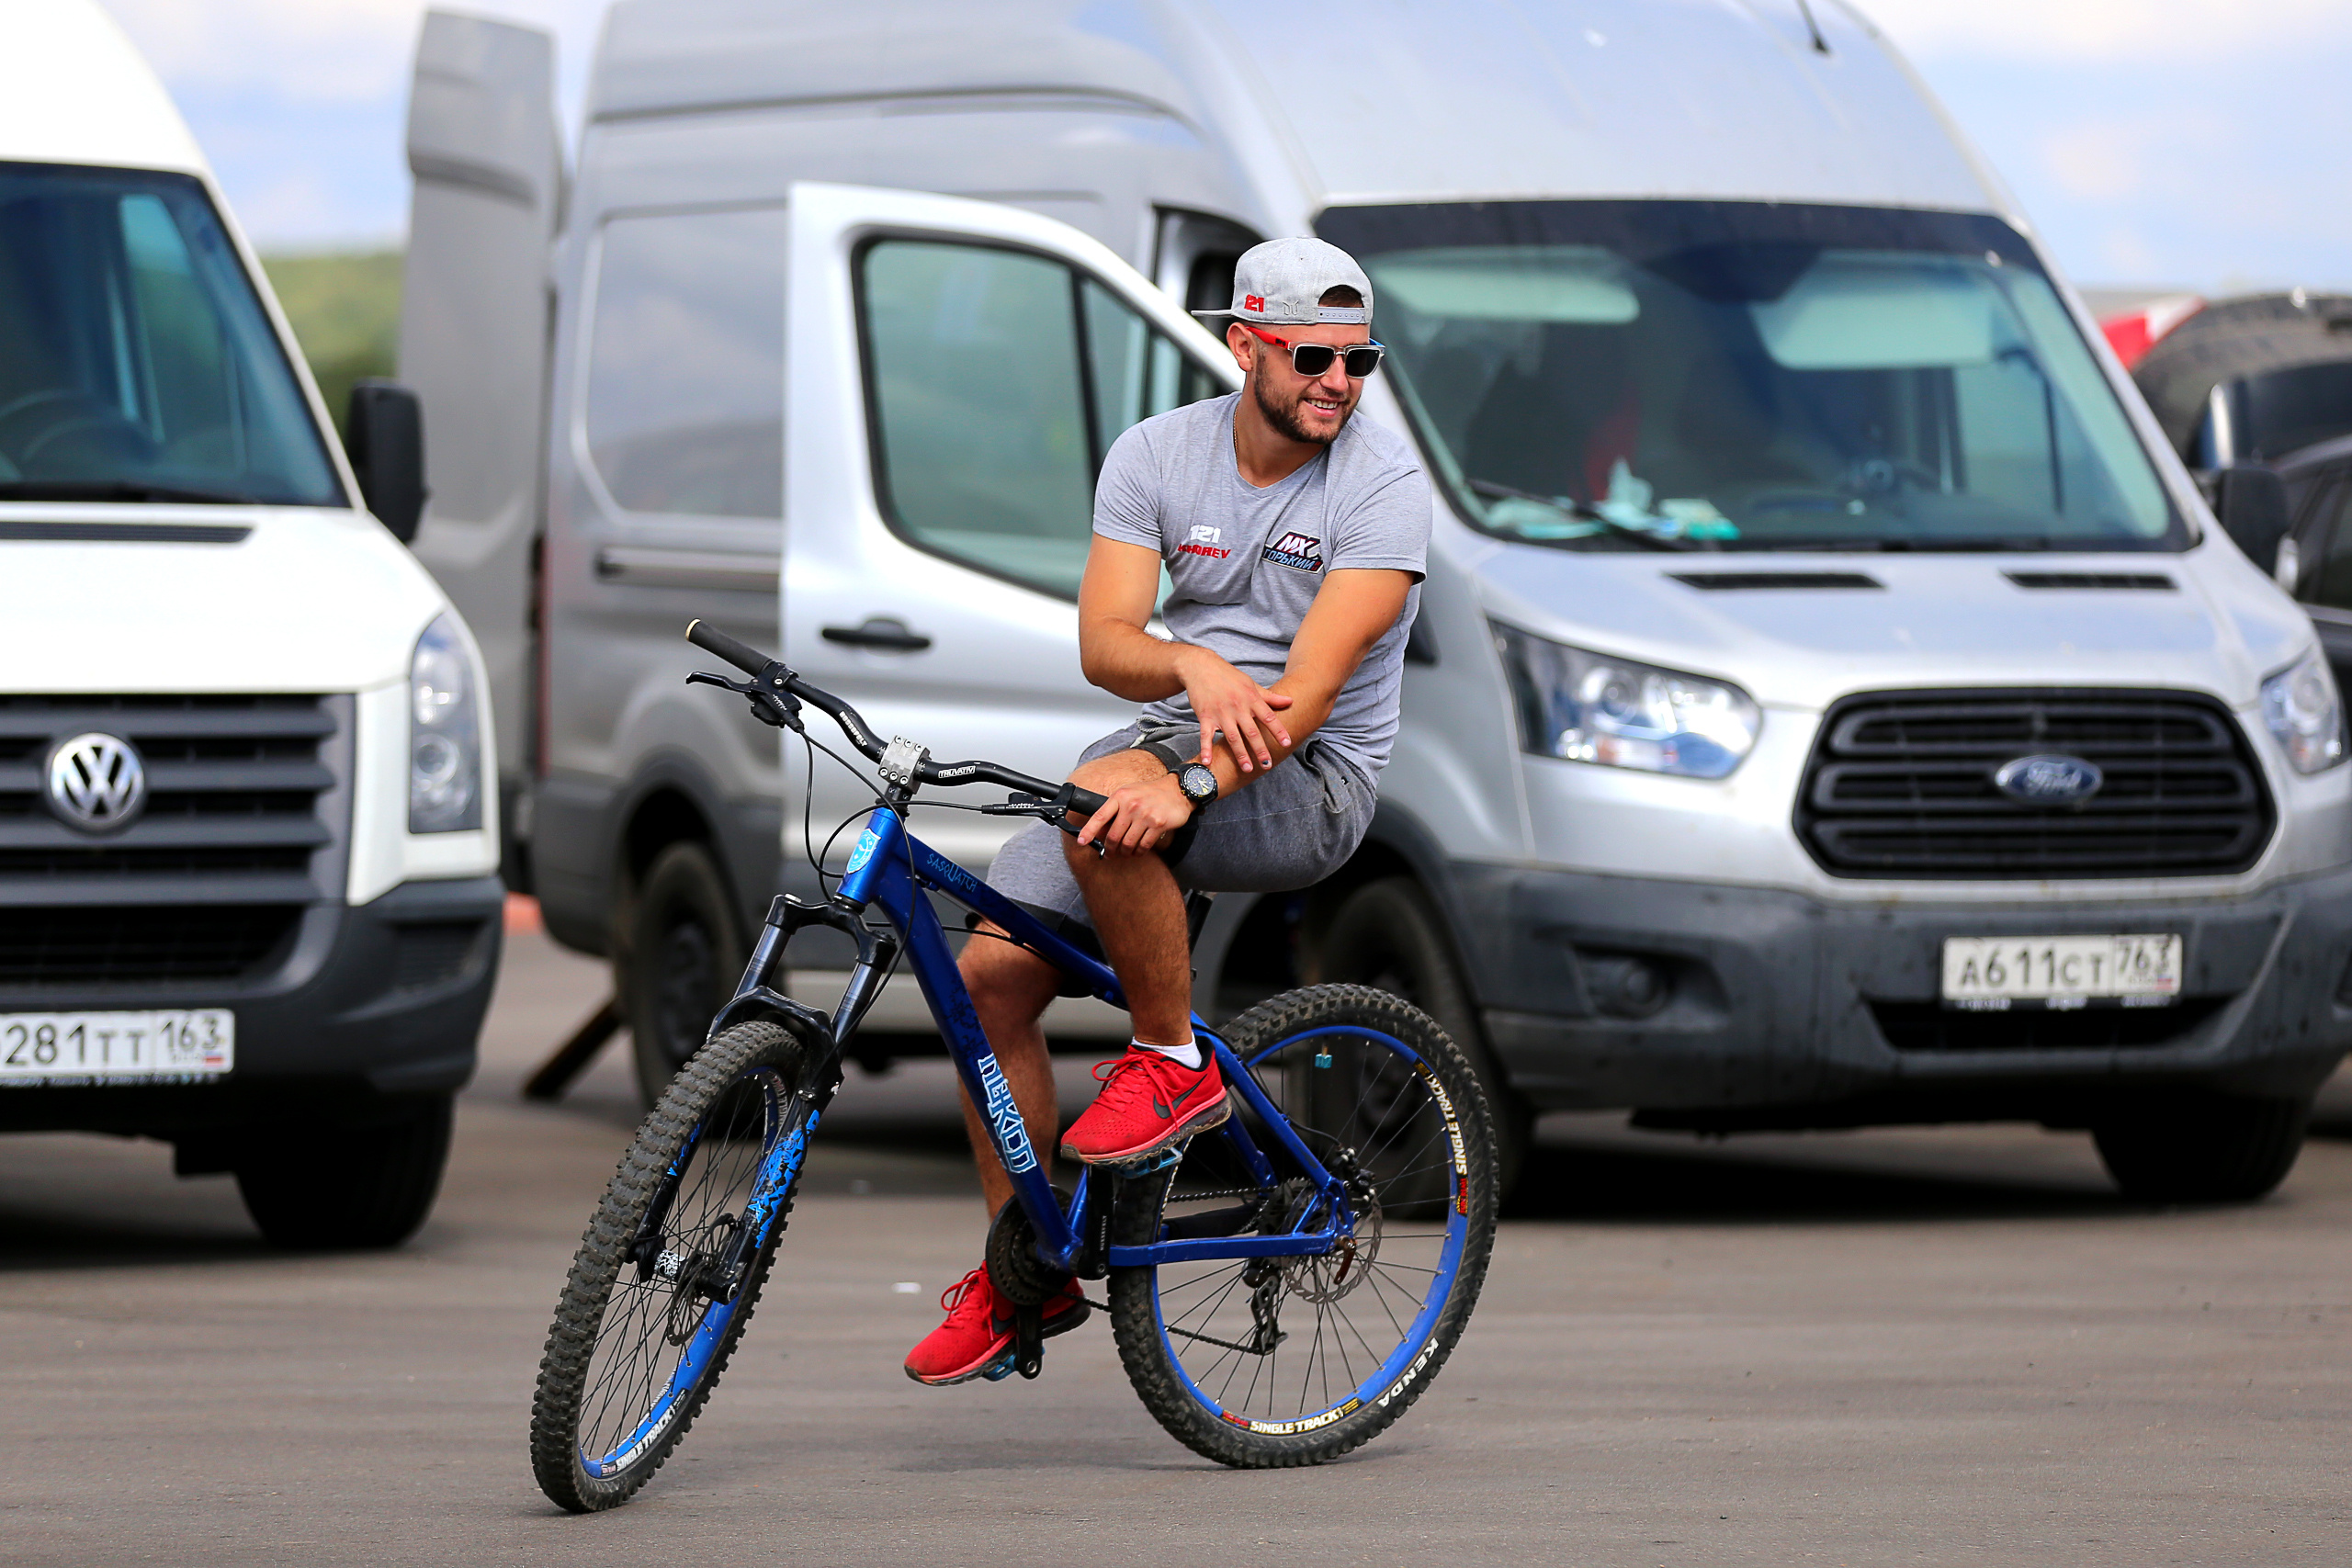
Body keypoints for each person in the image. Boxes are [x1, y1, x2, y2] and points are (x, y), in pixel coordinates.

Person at [903, 237, 1432, 1384]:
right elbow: (1106, 644)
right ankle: (1023, 1277)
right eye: (1311, 359)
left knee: (1109, 802)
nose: (1339, 385)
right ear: (1244, 347)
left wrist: (1183, 784)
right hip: (1160, 736)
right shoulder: (1156, 455)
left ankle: (1170, 1056)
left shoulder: (1385, 489)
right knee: (987, 980)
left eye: (1359, 362)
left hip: (1314, 777)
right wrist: (1189, 673)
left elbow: (1309, 691)